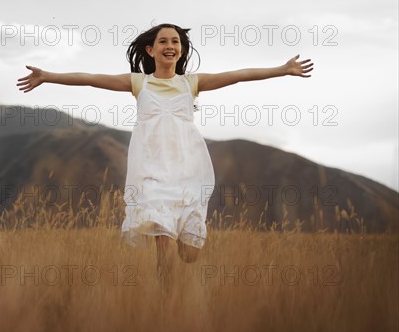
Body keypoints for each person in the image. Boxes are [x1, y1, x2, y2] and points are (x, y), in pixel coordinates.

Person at [17, 23, 313, 287]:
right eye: (163, 41)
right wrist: (49, 76)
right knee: (164, 239)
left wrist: (282, 69)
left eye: (175, 41)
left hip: (188, 170)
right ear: (151, 49)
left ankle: (180, 263)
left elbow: (238, 75)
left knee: (189, 254)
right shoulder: (139, 83)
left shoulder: (190, 84)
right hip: (152, 171)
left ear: (181, 51)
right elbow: (91, 78)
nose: (170, 46)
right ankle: (166, 304)